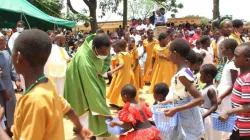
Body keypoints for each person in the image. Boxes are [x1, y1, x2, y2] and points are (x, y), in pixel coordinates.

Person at [0, 29, 93, 140]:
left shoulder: (34, 100)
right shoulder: (48, 85)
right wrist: (79, 128)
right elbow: (68, 110)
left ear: (19, 57)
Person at [63, 33, 112, 139]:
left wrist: (101, 71)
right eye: (102, 52)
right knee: (87, 106)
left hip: (92, 78)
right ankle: (90, 134)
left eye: (107, 51)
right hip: (78, 82)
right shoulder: (84, 61)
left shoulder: (103, 45)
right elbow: (91, 89)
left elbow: (107, 58)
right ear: (94, 48)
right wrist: (105, 112)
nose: (105, 54)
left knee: (95, 105)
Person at [163, 38, 205, 140]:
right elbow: (184, 94)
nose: (168, 55)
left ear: (175, 53)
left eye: (169, 52)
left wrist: (177, 108)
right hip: (183, 114)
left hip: (188, 116)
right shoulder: (183, 71)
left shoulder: (182, 75)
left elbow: (199, 99)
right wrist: (170, 101)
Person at [219, 43, 250, 140]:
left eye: (236, 56)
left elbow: (248, 106)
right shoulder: (242, 76)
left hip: (245, 129)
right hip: (240, 125)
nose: (233, 59)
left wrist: (228, 111)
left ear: (246, 60)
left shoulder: (247, 79)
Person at [216, 39, 239, 136]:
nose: (221, 50)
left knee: (227, 118)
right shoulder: (228, 61)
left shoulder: (234, 64)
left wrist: (221, 96)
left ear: (229, 51)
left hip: (227, 97)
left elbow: (234, 84)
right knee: (222, 118)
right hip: (224, 94)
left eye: (222, 48)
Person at [0, 33, 20, 136]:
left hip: (9, 86)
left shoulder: (6, 53)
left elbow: (12, 67)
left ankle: (9, 130)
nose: (4, 44)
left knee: (11, 109)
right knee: (2, 109)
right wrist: (4, 90)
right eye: (1, 42)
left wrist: (16, 79)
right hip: (1, 87)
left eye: (4, 41)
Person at [107, 39, 136, 108]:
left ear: (119, 47)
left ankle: (121, 104)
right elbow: (131, 64)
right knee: (125, 89)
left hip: (122, 74)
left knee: (119, 88)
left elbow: (122, 64)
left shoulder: (120, 54)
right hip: (129, 74)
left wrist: (112, 71)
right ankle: (116, 102)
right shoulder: (129, 54)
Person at [199, 64, 220, 140]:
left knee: (207, 136)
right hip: (204, 114)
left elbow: (214, 106)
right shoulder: (206, 87)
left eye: (201, 74)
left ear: (208, 76)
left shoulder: (210, 89)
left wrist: (203, 116)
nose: (200, 76)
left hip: (207, 116)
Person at [215, 18, 232, 84]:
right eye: (226, 27)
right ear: (220, 29)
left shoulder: (228, 38)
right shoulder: (223, 41)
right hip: (225, 66)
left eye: (231, 27)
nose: (230, 29)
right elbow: (225, 58)